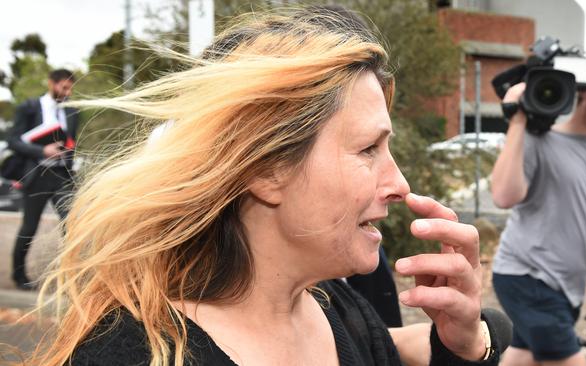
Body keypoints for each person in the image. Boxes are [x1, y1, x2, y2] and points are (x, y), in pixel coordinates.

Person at [27, 7, 503, 366]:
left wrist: (463, 343)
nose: (399, 183)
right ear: (266, 169)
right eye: (367, 150)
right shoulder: (131, 353)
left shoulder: (336, 309)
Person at [490, 59, 586, 366]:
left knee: (523, 357)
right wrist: (519, 120)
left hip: (569, 287)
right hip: (527, 276)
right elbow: (503, 195)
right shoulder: (541, 139)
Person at [7, 68, 78, 290]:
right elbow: (13, 141)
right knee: (29, 227)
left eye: (70, 88)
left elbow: (72, 141)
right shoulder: (29, 107)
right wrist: (42, 150)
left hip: (61, 175)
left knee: (72, 224)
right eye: (64, 87)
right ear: (51, 83)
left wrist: (69, 152)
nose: (67, 92)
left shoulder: (71, 111)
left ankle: (69, 278)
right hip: (37, 174)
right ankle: (19, 276)